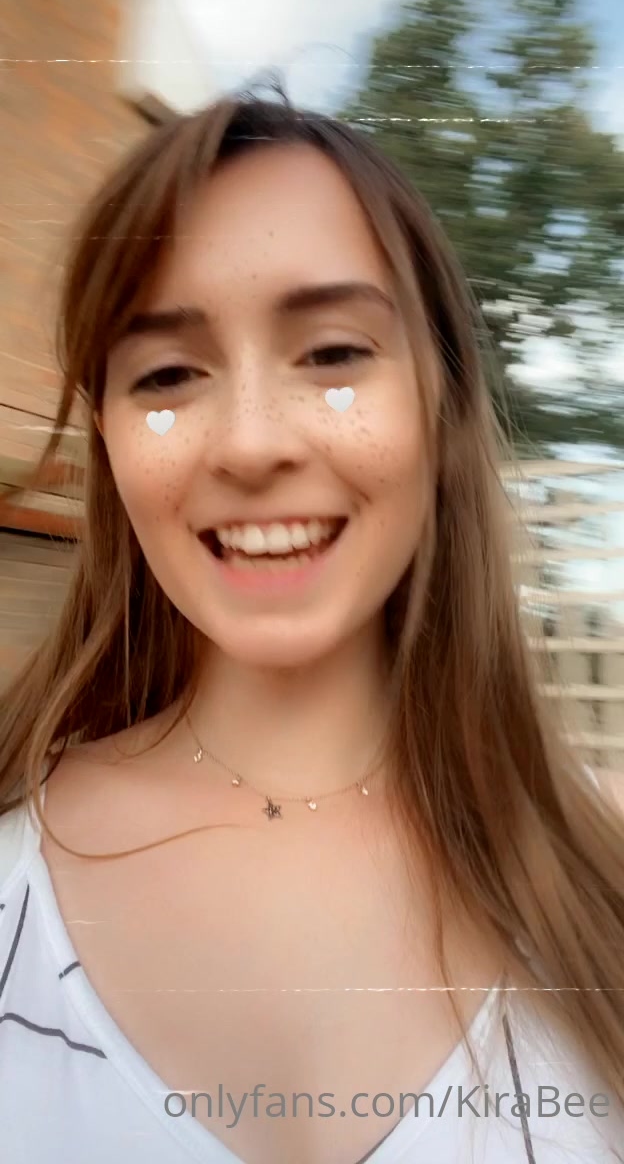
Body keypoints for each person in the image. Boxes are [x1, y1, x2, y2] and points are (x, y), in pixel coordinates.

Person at [0, 80, 623, 1164]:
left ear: (442, 403)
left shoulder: (599, 890)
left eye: (334, 353)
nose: (250, 444)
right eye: (167, 374)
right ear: (110, 445)